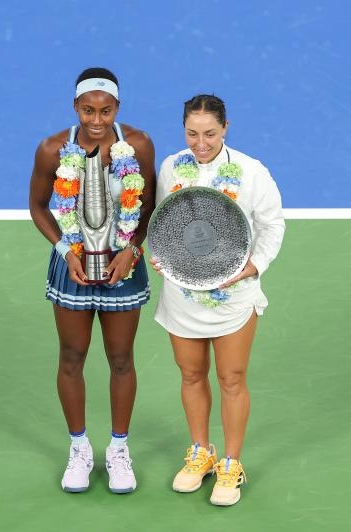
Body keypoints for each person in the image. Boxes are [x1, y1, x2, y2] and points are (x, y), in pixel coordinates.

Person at [151, 94, 285, 506]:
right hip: (183, 293)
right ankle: (200, 453)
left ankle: (230, 463)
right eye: (192, 134)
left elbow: (272, 224)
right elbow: (164, 219)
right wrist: (161, 254)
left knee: (231, 379)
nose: (201, 143)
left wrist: (255, 265)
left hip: (233, 296)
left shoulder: (251, 171)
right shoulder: (171, 167)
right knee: (191, 375)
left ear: (226, 128)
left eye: (210, 133)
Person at [28, 67, 156, 494]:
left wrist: (131, 249)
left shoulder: (138, 144)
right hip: (73, 267)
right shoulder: (51, 149)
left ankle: (118, 450)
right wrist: (66, 250)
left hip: (124, 266)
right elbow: (38, 207)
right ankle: (79, 449)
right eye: (88, 110)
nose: (96, 120)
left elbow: (148, 206)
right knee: (71, 356)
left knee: (121, 359)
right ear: (75, 107)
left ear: (117, 108)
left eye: (105, 111)